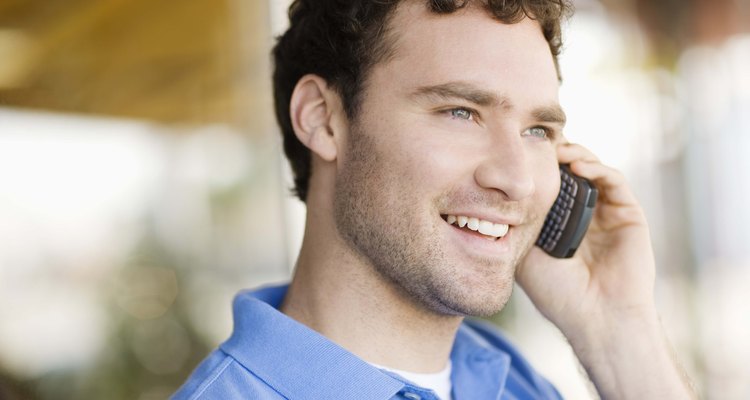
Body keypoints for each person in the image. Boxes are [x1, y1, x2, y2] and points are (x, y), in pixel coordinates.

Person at [173, 0, 696, 398]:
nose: (517, 180)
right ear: (321, 117)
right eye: (461, 112)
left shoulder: (513, 382)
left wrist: (617, 332)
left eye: (537, 130)